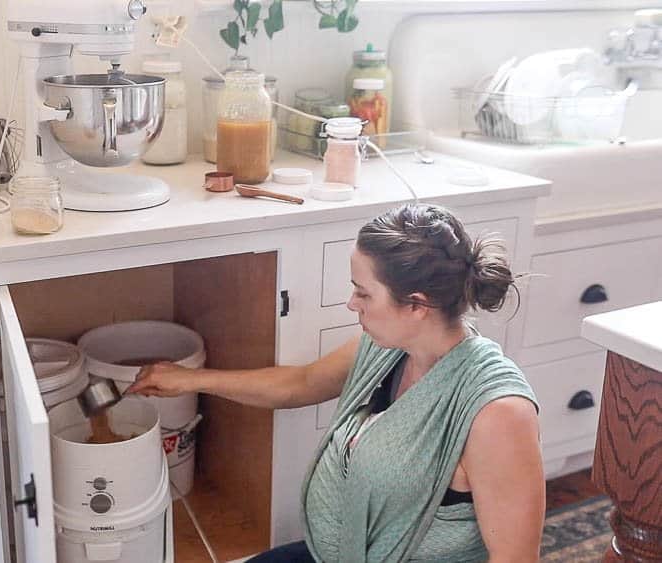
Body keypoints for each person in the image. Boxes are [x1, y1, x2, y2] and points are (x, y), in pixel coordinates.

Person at [126, 204, 544, 562]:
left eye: (364, 294)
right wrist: (188, 380)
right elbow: (300, 384)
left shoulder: (497, 414)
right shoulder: (388, 347)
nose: (352, 304)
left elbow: (515, 558)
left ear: (416, 305)